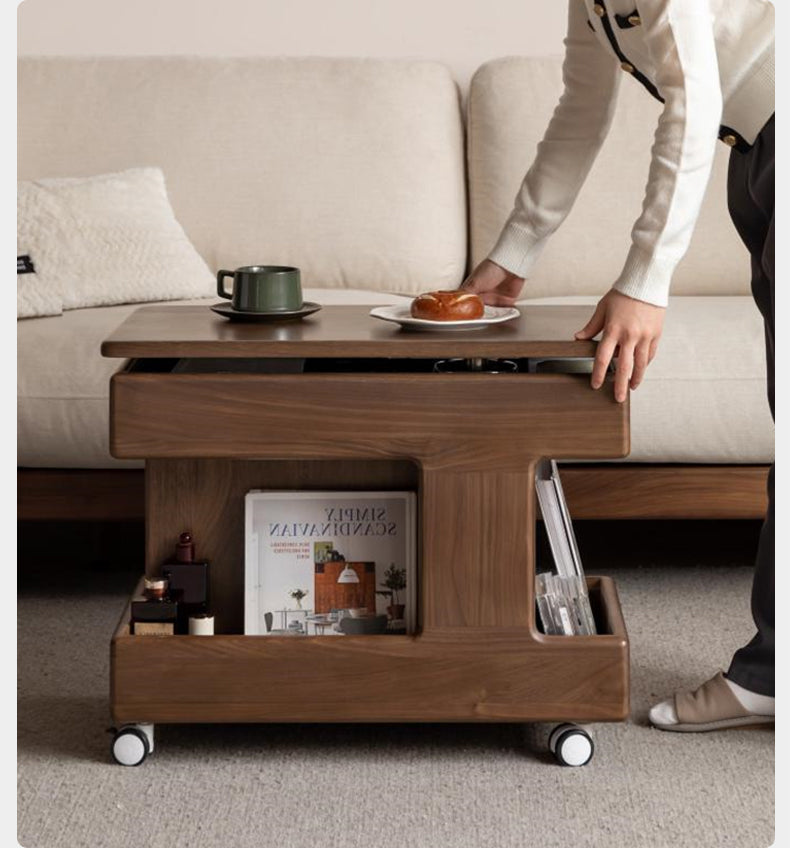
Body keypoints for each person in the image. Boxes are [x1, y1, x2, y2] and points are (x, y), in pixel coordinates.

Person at [463, 0, 774, 731]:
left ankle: (770, 676)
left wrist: (644, 279)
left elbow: (693, 103)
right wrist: (515, 251)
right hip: (759, 155)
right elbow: (583, 104)